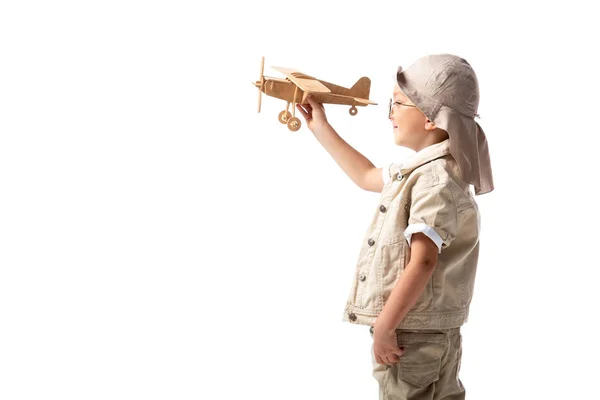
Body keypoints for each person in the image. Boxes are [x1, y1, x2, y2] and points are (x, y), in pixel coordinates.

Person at [295, 54, 494, 399]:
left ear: (432, 119)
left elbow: (423, 261)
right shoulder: (432, 170)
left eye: (398, 104)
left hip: (411, 332)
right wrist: (321, 128)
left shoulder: (433, 183)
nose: (390, 113)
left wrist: (386, 325)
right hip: (436, 330)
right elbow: (367, 176)